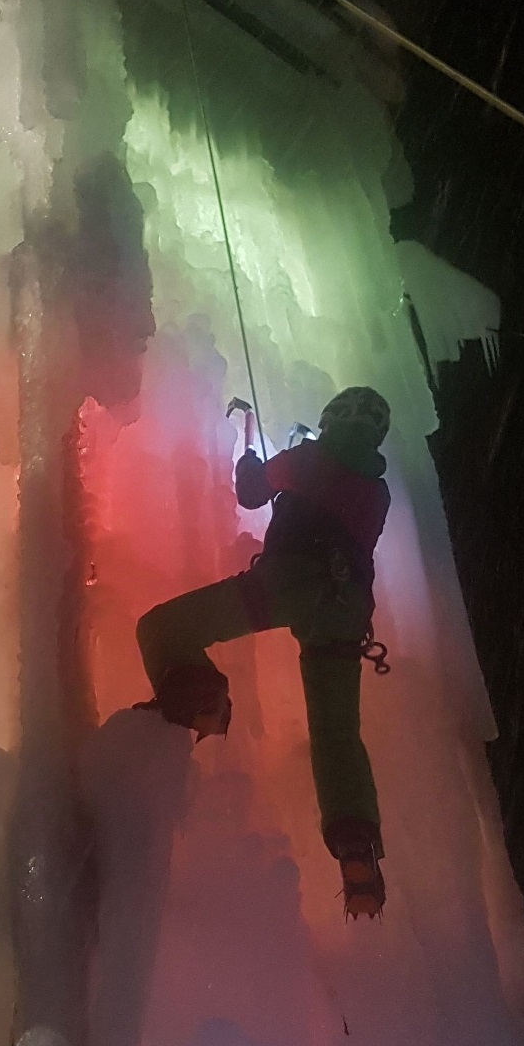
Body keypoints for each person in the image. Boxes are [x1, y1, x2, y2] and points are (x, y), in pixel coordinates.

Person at [135, 386, 393, 919]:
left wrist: (252, 457)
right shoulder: (378, 489)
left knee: (164, 630)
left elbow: (252, 493)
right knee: (336, 732)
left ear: (331, 419)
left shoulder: (310, 457)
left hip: (287, 583)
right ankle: (356, 844)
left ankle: (205, 703)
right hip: (344, 614)